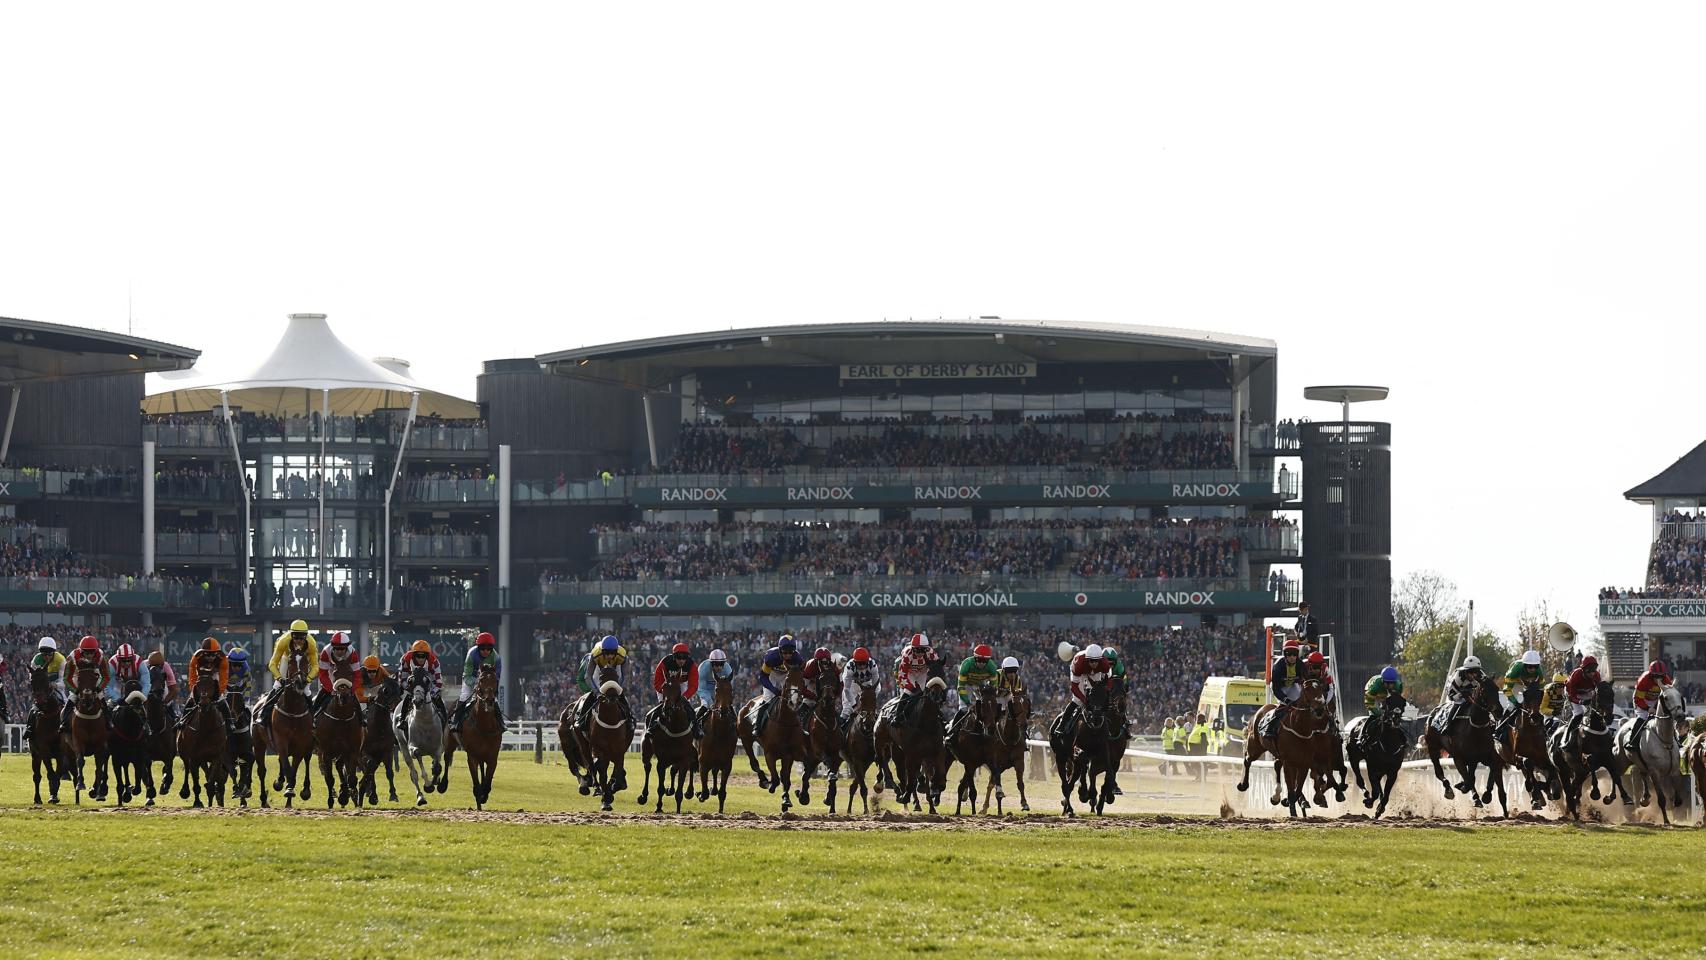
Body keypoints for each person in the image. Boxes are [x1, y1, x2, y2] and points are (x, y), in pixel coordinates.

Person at [259, 619, 318, 728]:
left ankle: (313, 719)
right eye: (296, 637)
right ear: (291, 635)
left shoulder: (311, 643)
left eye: (302, 638)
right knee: (277, 686)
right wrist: (279, 678)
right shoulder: (283, 641)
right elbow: (272, 664)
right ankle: (263, 716)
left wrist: (308, 679)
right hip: (288, 659)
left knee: (306, 690)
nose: (299, 641)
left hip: (304, 661)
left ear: (306, 636)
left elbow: (315, 666)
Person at [1052, 643, 1110, 743]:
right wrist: (1084, 699)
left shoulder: (1104, 664)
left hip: (1095, 673)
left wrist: (1104, 693)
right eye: (1092, 661)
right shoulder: (1078, 663)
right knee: (1077, 700)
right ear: (1087, 659)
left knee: (1097, 698)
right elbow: (1074, 687)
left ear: (1100, 659)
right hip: (1080, 672)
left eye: (1096, 661)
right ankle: (1061, 725)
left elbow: (1108, 682)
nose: (1094, 663)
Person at [754, 634, 810, 735]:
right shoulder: (771, 657)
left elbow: (800, 675)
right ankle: (757, 726)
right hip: (771, 676)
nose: (788, 655)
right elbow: (762, 677)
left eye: (790, 652)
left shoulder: (798, 658)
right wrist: (773, 689)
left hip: (786, 675)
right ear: (780, 650)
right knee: (768, 699)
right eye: (785, 652)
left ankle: (800, 726)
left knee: (794, 699)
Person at [451, 631, 506, 733]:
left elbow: (496, 677)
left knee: (495, 700)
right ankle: (455, 723)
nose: (486, 651)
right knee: (464, 696)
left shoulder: (496, 658)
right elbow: (467, 675)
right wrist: (476, 683)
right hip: (471, 679)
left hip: (487, 682)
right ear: (478, 647)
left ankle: (502, 723)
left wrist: (488, 685)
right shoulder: (471, 654)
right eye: (482, 648)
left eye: (489, 649)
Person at [575, 635, 630, 731]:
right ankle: (580, 719)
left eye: (612, 653)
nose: (610, 656)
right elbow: (588, 676)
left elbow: (626, 676)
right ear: (603, 651)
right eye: (607, 653)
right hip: (598, 667)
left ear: (616, 652)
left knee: (622, 696)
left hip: (616, 667)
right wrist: (597, 693)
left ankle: (630, 719)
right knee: (591, 695)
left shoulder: (622, 655)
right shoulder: (595, 654)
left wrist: (620, 690)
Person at [181, 637, 235, 732]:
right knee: (191, 698)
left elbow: (223, 678)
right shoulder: (196, 656)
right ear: (203, 652)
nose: (210, 658)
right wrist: (194, 689)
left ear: (217, 653)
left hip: (214, 675)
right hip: (201, 675)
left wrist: (219, 692)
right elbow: (192, 674)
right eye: (208, 655)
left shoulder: (223, 659)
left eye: (213, 655)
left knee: (222, 699)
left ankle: (229, 722)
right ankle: (183, 719)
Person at [891, 633, 942, 726]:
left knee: (923, 693)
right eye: (916, 650)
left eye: (922, 650)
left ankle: (939, 717)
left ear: (926, 648)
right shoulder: (907, 654)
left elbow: (937, 668)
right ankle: (897, 716)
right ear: (912, 648)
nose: (919, 653)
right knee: (908, 692)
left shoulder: (931, 653)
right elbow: (902, 675)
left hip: (923, 673)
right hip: (910, 673)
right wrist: (910, 686)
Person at [60, 636, 110, 732]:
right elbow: (67, 678)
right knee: (73, 697)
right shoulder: (72, 657)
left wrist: (99, 689)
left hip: (94, 674)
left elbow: (106, 676)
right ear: (81, 651)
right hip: (77, 675)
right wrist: (76, 690)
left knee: (100, 696)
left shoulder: (101, 656)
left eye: (92, 652)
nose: (90, 655)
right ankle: (64, 722)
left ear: (96, 651)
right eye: (87, 652)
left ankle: (109, 721)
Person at [395, 639, 448, 728]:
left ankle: (445, 722)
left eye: (423, 656)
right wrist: (411, 690)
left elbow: (439, 683)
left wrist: (431, 693)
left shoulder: (434, 662)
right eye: (418, 656)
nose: (420, 659)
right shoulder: (405, 659)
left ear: (427, 656)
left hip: (429, 681)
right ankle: (402, 719)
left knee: (438, 699)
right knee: (408, 698)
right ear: (413, 655)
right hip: (412, 680)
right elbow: (402, 680)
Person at [1494, 650, 1546, 738]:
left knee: (1535, 706)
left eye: (1535, 667)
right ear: (1524, 665)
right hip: (1514, 683)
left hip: (1528, 684)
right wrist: (1515, 702)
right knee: (1511, 706)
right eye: (1530, 667)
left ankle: (1544, 730)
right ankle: (1500, 729)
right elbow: (1507, 689)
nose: (1533, 669)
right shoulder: (1516, 668)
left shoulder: (1539, 670)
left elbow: (1541, 686)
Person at [649, 642, 699, 733]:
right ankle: (651, 725)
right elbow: (657, 681)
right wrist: (666, 693)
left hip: (682, 683)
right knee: (663, 704)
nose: (681, 661)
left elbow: (693, 685)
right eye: (679, 658)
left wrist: (684, 697)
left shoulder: (691, 665)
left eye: (684, 658)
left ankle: (696, 728)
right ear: (674, 657)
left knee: (686, 705)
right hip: (666, 684)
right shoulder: (665, 662)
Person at [23, 637, 65, 742]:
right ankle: (29, 729)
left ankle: (68, 729)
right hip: (42, 690)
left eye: (49, 654)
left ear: (54, 653)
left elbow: (63, 682)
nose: (46, 657)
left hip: (57, 688)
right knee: (33, 709)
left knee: (67, 705)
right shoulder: (36, 660)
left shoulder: (61, 660)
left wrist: (53, 685)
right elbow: (32, 678)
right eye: (44, 654)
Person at [315, 631, 361, 715]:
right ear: (333, 647)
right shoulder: (325, 652)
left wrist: (352, 689)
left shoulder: (353, 653)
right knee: (319, 698)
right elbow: (322, 674)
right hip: (330, 676)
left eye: (342, 649)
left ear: (347, 648)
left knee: (356, 703)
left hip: (346, 678)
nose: (339, 651)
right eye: (337, 649)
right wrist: (330, 689)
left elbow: (357, 675)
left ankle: (362, 721)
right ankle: (313, 715)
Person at [1631, 660, 1674, 744]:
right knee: (1643, 717)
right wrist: (1648, 708)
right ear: (1651, 675)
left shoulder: (1666, 680)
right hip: (1643, 699)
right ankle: (1633, 741)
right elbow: (1638, 699)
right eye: (1656, 676)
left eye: (1661, 676)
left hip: (1657, 699)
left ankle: (1675, 740)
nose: (1659, 679)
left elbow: (1668, 696)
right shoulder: (1644, 680)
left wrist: (1655, 707)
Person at [1362, 666, 1405, 750]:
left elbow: (1395, 701)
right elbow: (1369, 704)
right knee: (1373, 717)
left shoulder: (1398, 685)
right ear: (1382, 680)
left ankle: (1404, 740)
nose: (1389, 686)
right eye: (1387, 683)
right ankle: (1363, 738)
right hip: (1374, 697)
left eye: (1391, 683)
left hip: (1386, 698)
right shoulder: (1374, 686)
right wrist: (1379, 713)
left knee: (1395, 719)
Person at [1438, 656, 1486, 730]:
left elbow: (1486, 691)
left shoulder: (1482, 676)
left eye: (1476, 672)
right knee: (1458, 704)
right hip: (1456, 695)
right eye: (1471, 672)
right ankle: (1448, 724)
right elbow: (1450, 695)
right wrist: (1461, 694)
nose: (1474, 675)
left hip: (1473, 695)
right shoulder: (1458, 676)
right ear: (1466, 671)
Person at [1563, 654, 1603, 743]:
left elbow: (1598, 693)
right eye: (1590, 671)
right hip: (1573, 693)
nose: (1592, 673)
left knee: (1596, 711)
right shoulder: (1575, 675)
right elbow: (1571, 696)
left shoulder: (1597, 676)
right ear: (1583, 670)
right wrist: (1581, 701)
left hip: (1586, 692)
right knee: (1579, 713)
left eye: (1594, 670)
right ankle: (1566, 738)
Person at [839, 647, 881, 726]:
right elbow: (846, 689)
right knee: (847, 710)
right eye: (859, 663)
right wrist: (854, 706)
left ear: (867, 661)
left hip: (867, 684)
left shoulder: (873, 665)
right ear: (854, 662)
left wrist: (869, 702)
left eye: (864, 663)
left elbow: (875, 686)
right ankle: (841, 727)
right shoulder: (849, 668)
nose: (861, 666)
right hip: (852, 685)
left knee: (870, 707)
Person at [801, 646, 841, 717]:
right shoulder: (810, 666)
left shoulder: (833, 667)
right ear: (816, 661)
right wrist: (814, 696)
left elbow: (841, 684)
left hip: (826, 685)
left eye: (826, 662)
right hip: (812, 684)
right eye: (821, 662)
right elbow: (802, 687)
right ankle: (801, 719)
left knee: (834, 706)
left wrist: (835, 696)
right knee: (808, 702)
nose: (824, 665)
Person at [146, 649, 179, 728]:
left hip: (162, 690)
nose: (156, 668)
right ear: (148, 663)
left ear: (162, 664)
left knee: (172, 718)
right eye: (153, 666)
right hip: (147, 689)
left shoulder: (166, 666)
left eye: (158, 666)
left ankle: (173, 718)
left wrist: (164, 703)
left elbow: (173, 690)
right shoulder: (143, 665)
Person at [1270, 638, 1305, 707]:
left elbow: (1304, 681)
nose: (1292, 657)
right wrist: (1285, 699)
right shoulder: (1278, 666)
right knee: (1285, 705)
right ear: (1285, 655)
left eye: (1294, 654)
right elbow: (1276, 689)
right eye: (1289, 654)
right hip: (1280, 688)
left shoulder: (1300, 664)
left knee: (1299, 703)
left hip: (1292, 686)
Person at [1186, 711, 1211, 782]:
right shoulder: (1198, 725)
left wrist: (1202, 750)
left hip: (1198, 748)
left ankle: (1202, 778)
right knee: (1194, 763)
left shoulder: (1203, 726)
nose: (1197, 719)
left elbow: (1203, 738)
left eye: (1198, 718)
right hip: (1193, 748)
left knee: (1199, 764)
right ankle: (1198, 776)